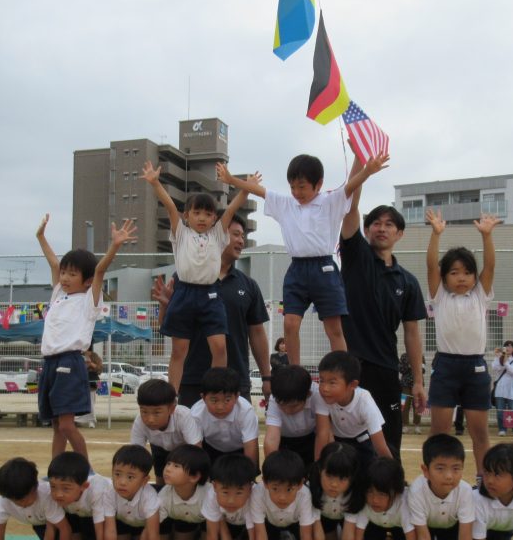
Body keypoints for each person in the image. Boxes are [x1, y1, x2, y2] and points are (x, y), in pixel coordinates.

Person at [216, 152, 389, 366]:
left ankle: (343, 369)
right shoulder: (286, 203)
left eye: (302, 187)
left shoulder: (329, 201)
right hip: (297, 269)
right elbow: (259, 191)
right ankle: (294, 370)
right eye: (292, 187)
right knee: (290, 323)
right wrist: (231, 179)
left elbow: (350, 187)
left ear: (319, 184)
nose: (296, 192)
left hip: (324, 268)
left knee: (334, 327)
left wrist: (366, 171)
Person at [36, 213, 136, 458]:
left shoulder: (88, 301)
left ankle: (86, 470)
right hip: (49, 363)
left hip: (69, 361)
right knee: (57, 425)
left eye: (72, 274)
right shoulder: (59, 295)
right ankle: (57, 470)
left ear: (87, 280)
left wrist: (114, 246)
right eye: (64, 273)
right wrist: (40, 237)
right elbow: (53, 263)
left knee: (67, 424)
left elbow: (100, 270)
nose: (64, 278)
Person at [142, 160, 249, 392]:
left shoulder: (217, 235)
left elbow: (231, 209)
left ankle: (216, 391)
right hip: (184, 292)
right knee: (179, 350)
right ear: (187, 215)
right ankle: (172, 395)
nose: (202, 218)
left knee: (220, 347)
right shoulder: (181, 233)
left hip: (210, 293)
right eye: (197, 213)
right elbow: (170, 207)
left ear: (214, 219)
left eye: (208, 214)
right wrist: (155, 183)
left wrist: (245, 189)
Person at [152, 213, 272, 409]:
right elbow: (169, 329)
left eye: (243, 236)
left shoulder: (248, 285)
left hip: (234, 382)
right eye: (235, 234)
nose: (241, 241)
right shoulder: (184, 278)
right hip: (191, 381)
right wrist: (166, 306)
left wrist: (266, 377)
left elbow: (257, 334)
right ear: (219, 235)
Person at [340, 200, 427, 454]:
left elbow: (412, 333)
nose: (381, 228)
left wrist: (418, 381)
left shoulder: (408, 282)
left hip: (386, 369)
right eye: (376, 223)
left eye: (389, 224)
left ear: (399, 234)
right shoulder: (356, 257)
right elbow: (350, 209)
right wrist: (360, 180)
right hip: (350, 367)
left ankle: (389, 479)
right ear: (366, 230)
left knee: (388, 442)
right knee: (346, 442)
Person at [425, 209, 501, 482]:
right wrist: (436, 234)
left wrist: (487, 236)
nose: (461, 277)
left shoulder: (480, 295)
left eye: (468, 273)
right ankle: (435, 478)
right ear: (445, 277)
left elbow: (489, 267)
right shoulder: (440, 296)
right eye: (454, 272)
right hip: (445, 365)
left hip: (475, 367)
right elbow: (431, 267)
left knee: (479, 432)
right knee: (440, 432)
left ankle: (483, 479)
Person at [406, 434, 475, 540]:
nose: (449, 476)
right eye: (440, 468)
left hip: (450, 525)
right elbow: (422, 536)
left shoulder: (465, 490)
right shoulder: (416, 491)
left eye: (456, 468)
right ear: (425, 470)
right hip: (426, 527)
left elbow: (465, 535)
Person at [248, 449, 318, 540]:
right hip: (271, 522)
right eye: (275, 489)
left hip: (295, 522)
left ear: (300, 484)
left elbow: (306, 536)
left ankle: (291, 538)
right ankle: (285, 538)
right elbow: (260, 535)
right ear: (265, 482)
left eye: (289, 490)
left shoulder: (304, 494)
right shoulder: (257, 493)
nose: (282, 497)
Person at [313, 351, 392, 472]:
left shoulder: (364, 401)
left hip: (362, 441)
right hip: (336, 441)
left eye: (332, 382)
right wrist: (318, 468)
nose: (324, 388)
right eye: (321, 380)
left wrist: (392, 474)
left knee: (365, 473)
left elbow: (380, 446)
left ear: (352, 385)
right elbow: (322, 433)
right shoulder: (323, 397)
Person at [46, 451, 119, 540]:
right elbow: (52, 527)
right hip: (77, 514)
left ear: (84, 486)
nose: (58, 494)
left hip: (104, 517)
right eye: (53, 487)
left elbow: (101, 530)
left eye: (65, 488)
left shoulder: (97, 491)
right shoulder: (53, 490)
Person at [346, 457, 421, 540]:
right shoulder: (365, 502)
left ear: (396, 492)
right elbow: (357, 538)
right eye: (370, 492)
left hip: (399, 526)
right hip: (375, 523)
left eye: (382, 494)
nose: (374, 500)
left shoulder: (405, 503)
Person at [130, 379, 203, 488]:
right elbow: (136, 454)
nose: (150, 419)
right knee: (161, 479)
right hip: (159, 447)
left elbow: (197, 451)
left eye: (157, 412)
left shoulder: (183, 416)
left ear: (171, 409)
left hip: (185, 449)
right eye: (144, 411)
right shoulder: (139, 421)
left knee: (188, 481)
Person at [308, 442, 364, 540]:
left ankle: (339, 533)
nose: (334, 484)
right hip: (324, 518)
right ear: (320, 469)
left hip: (347, 520)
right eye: (329, 476)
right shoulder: (312, 488)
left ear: (352, 477)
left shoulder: (356, 492)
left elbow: (350, 532)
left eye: (342, 478)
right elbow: (317, 531)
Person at [201, 453, 257, 540]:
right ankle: (240, 539)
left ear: (250, 488)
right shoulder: (212, 496)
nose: (231, 500)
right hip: (229, 522)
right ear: (215, 486)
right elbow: (215, 534)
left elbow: (254, 536)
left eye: (239, 493)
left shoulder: (255, 497)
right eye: (225, 492)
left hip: (255, 525)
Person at [111, 446, 162, 540]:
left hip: (145, 525)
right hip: (124, 521)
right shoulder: (109, 492)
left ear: (145, 480)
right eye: (117, 474)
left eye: (130, 477)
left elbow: (152, 533)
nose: (122, 482)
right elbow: (109, 529)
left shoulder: (149, 497)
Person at [190, 367, 259, 467]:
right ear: (203, 398)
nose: (220, 407)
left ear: (236, 397)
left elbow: (250, 446)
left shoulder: (246, 411)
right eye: (214, 400)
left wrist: (250, 473)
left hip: (241, 450)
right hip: (211, 449)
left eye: (227, 400)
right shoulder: (196, 414)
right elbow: (195, 448)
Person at [158, 445, 212, 540]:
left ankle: (199, 535)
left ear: (194, 477)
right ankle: (188, 535)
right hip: (182, 519)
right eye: (168, 463)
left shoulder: (210, 495)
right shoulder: (164, 494)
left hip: (208, 523)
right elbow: (150, 528)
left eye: (176, 466)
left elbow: (219, 528)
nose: (168, 469)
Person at [264, 364, 319, 467]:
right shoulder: (275, 398)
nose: (287, 411)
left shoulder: (317, 395)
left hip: (312, 440)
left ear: (308, 395)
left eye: (293, 406)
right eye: (281, 405)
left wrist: (318, 465)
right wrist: (271, 468)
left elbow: (323, 432)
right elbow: (272, 439)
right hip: (284, 443)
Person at [492, 340, 513, 437]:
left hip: (512, 388)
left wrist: (506, 362)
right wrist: (498, 357)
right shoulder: (499, 358)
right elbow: (495, 368)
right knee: (500, 410)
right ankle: (502, 429)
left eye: (510, 346)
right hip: (500, 387)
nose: (508, 348)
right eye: (506, 346)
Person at [75, 350, 103, 429]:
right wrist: (86, 365)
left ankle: (91, 420)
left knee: (91, 401)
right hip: (82, 380)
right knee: (82, 402)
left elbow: (99, 370)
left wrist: (91, 364)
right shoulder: (79, 356)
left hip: (93, 381)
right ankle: (83, 419)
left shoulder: (95, 356)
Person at [399, 352, 424, 435]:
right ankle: (405, 426)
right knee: (404, 405)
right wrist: (410, 366)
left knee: (418, 405)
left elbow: (423, 370)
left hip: (418, 384)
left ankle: (417, 426)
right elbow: (401, 369)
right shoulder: (403, 356)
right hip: (405, 385)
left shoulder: (420, 356)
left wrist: (415, 367)